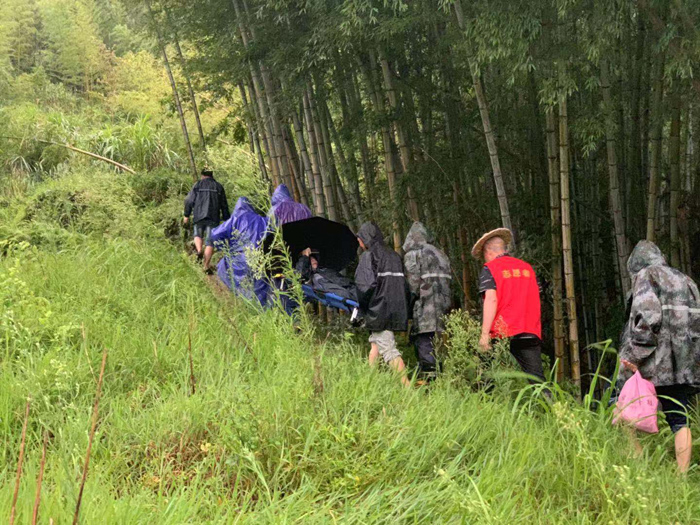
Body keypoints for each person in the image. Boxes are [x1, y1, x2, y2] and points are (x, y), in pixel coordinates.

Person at [618, 240, 700, 474]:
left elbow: (648, 319)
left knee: (624, 412)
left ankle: (638, 466)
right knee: (680, 419)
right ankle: (681, 476)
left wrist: (634, 355)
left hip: (652, 364)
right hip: (683, 366)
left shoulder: (647, 276)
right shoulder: (686, 280)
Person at [472, 228, 544, 383]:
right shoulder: (528, 268)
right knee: (537, 381)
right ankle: (548, 399)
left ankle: (486, 398)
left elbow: (491, 299)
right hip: (529, 330)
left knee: (485, 379)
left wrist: (484, 334)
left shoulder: (491, 268)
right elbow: (537, 295)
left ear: (488, 251)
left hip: (501, 332)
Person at [355, 222, 411, 387]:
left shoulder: (369, 256)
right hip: (397, 308)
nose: (359, 242)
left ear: (365, 238)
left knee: (389, 350)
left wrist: (363, 308)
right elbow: (406, 286)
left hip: (379, 309)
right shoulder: (394, 255)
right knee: (375, 343)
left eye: (359, 239)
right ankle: (370, 382)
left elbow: (365, 287)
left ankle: (408, 388)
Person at [403, 222, 452, 381]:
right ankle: (442, 375)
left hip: (425, 304)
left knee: (424, 340)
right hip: (444, 303)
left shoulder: (413, 254)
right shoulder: (441, 254)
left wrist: (408, 304)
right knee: (439, 342)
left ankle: (430, 379)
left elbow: (413, 284)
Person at [210, 197, 270, 306]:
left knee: (223, 268)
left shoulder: (234, 220)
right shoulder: (262, 220)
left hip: (239, 259)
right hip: (260, 258)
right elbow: (273, 233)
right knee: (260, 286)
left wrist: (224, 247)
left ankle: (238, 302)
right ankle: (260, 308)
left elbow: (214, 234)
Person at [184, 169, 230, 273]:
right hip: (213, 217)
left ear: (202, 176)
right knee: (210, 242)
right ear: (212, 175)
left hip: (199, 216)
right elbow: (224, 205)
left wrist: (186, 215)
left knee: (197, 235)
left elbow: (189, 200)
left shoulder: (197, 185)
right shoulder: (218, 186)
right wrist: (227, 219)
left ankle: (199, 250)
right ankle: (205, 266)